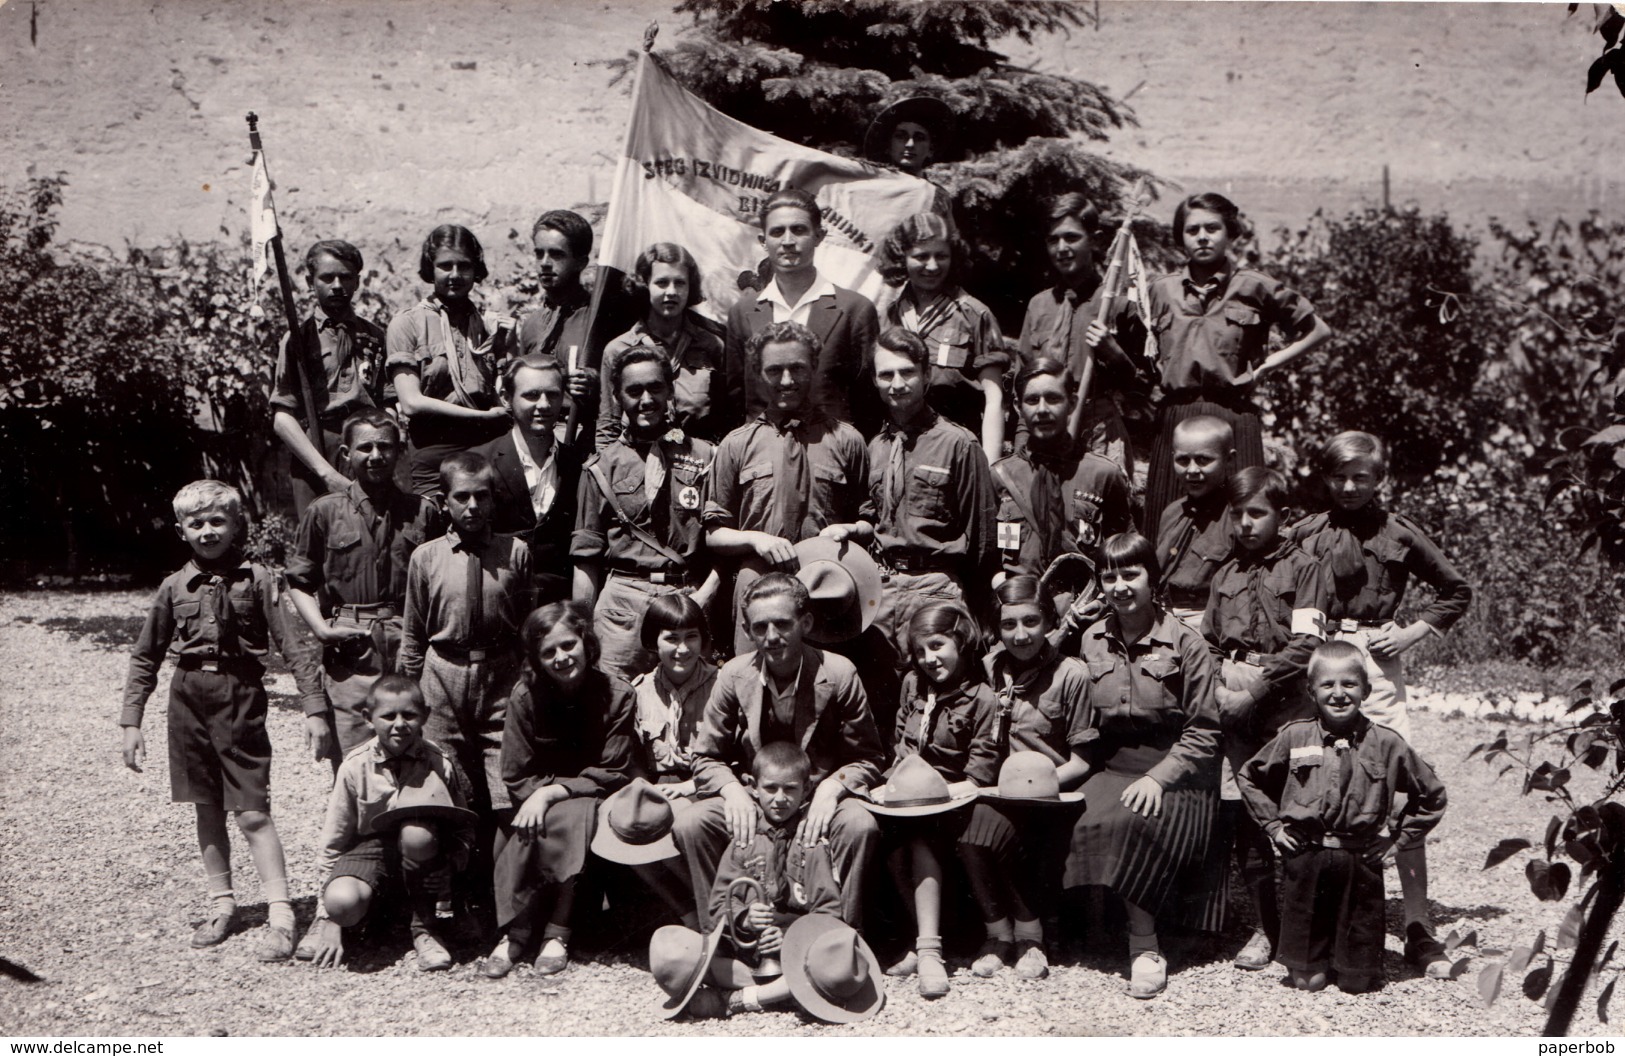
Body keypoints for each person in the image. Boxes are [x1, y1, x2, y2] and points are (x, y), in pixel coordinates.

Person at [118, 480, 328, 960]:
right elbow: (145, 657)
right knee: (206, 806)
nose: (208, 531)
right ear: (181, 530)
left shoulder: (259, 579)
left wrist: (314, 707)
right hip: (187, 698)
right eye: (197, 523)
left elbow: (293, 648)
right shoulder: (173, 587)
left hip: (241, 698)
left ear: (237, 525)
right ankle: (223, 903)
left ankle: (281, 912)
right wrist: (132, 720)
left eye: (218, 521)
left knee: (252, 810)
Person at [1290, 430, 1472, 975]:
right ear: (1324, 478)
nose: (1349, 487)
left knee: (1396, 787)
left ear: (1379, 480)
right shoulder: (1305, 532)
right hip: (1319, 655)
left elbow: (1455, 590)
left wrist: (1412, 632)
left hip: (1375, 655)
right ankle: (1311, 924)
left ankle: (1417, 924)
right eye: (1339, 476)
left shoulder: (1398, 532)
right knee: (1314, 780)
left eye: (1361, 478)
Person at [675, 573, 886, 928]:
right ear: (746, 628)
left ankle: (839, 944)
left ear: (805, 623)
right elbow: (705, 756)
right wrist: (732, 792)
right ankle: (727, 934)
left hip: (817, 795)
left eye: (782, 624)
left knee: (858, 825)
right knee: (692, 824)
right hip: (758, 796)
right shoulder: (734, 675)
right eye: (760, 627)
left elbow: (869, 757)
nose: (771, 638)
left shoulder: (838, 673)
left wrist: (833, 790)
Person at [1237, 641, 1448, 993]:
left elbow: (1432, 795)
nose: (1338, 694)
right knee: (1308, 981)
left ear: (1365, 689)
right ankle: (1317, 956)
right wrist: (1273, 826)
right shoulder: (1294, 735)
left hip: (1360, 862)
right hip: (1307, 861)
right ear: (1311, 690)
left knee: (1358, 982)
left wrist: (1398, 840)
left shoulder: (1386, 743)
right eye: (1327, 685)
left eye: (1349, 684)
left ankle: (1349, 956)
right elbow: (1250, 777)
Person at [1065, 533, 1221, 999]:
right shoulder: (1092, 638)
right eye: (1108, 576)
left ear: (1153, 579)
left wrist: (1159, 777)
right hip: (1110, 768)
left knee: (1131, 819)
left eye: (1131, 574)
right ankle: (1075, 930)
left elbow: (1205, 732)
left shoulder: (1186, 645)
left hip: (1177, 775)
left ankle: (1144, 948)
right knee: (1065, 815)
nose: (1119, 586)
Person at [825, 327, 996, 728]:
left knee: (942, 694)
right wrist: (855, 529)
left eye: (907, 372)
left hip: (936, 586)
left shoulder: (959, 444)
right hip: (883, 587)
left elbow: (983, 541)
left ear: (927, 374)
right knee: (882, 693)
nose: (897, 384)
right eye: (886, 375)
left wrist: (980, 612)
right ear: (874, 380)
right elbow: (876, 517)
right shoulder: (876, 446)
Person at [1141, 192, 1333, 540]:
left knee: (1244, 525)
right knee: (1165, 528)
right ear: (1180, 237)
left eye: (1212, 228)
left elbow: (1318, 330)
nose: (1202, 236)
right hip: (1176, 421)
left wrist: (1267, 367)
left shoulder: (1254, 285)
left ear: (1230, 233)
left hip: (1233, 419)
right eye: (1192, 229)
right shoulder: (1159, 290)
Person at [1202, 466, 1331, 972]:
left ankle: (1304, 929)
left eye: (1257, 513)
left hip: (1287, 706)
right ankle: (1264, 927)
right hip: (1234, 707)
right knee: (1249, 816)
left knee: (1299, 811)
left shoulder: (1305, 569)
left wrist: (1256, 687)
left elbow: (1309, 644)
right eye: (1238, 514)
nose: (1246, 524)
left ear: (1283, 516)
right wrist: (1220, 687)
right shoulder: (1225, 573)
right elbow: (1209, 642)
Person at [398, 451, 535, 921]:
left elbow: (525, 625)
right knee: (444, 788)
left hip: (501, 675)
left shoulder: (514, 553)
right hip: (442, 673)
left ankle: (505, 906)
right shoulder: (426, 557)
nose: (473, 506)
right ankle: (440, 908)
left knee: (505, 795)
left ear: (494, 500)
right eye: (462, 497)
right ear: (445, 502)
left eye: (482, 496)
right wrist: (411, 694)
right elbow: (414, 633)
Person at [483, 603, 638, 978]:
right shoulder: (524, 696)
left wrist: (552, 793)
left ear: (586, 642)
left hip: (593, 793)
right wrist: (540, 794)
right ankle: (516, 931)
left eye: (568, 645)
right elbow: (515, 772)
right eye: (548, 652)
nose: (561, 658)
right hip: (533, 793)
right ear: (535, 658)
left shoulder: (618, 694)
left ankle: (558, 929)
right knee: (511, 839)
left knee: (572, 819)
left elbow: (613, 769)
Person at [285, 409, 444, 760]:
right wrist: (323, 631)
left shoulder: (422, 512)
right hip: (351, 646)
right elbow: (298, 581)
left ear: (399, 451)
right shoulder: (324, 512)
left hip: (410, 641)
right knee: (354, 757)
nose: (376, 456)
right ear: (346, 455)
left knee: (416, 752)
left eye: (385, 447)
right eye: (365, 447)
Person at [705, 322, 870, 656]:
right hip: (759, 589)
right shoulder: (737, 445)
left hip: (826, 590)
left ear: (814, 367)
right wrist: (755, 538)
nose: (786, 381)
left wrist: (850, 528)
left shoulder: (847, 440)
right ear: (757, 373)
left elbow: (870, 522)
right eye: (774, 370)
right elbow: (714, 533)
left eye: (797, 368)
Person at [957, 575, 1092, 981]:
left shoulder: (1072, 674)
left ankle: (1031, 937)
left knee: (1002, 831)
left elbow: (1082, 760)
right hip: (995, 790)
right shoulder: (986, 670)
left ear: (1050, 622)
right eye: (1008, 625)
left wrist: (1036, 788)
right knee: (970, 833)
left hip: (1051, 795)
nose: (1020, 635)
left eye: (1031, 622)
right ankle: (998, 935)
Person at [301, 675, 476, 971]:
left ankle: (424, 929)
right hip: (373, 853)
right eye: (388, 716)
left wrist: (453, 864)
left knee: (416, 834)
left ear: (425, 716)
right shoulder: (355, 766)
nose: (399, 724)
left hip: (424, 855)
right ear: (369, 719)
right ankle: (355, 919)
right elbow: (334, 842)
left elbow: (463, 827)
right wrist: (328, 914)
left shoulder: (438, 762)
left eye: (409, 715)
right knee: (342, 902)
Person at [868, 602, 996, 998]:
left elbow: (980, 774)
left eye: (938, 646)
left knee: (921, 838)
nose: (928, 659)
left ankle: (929, 953)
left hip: (953, 800)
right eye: (921, 651)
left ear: (962, 640)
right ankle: (918, 934)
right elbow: (900, 746)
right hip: (908, 797)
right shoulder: (913, 685)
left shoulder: (982, 698)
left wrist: (932, 793)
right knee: (885, 840)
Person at [573, 346, 720, 680]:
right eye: (634, 391)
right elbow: (586, 561)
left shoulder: (705, 455)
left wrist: (704, 598)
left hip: (685, 602)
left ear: (670, 389)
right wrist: (584, 634)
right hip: (622, 610)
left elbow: (720, 542)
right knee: (616, 708)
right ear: (617, 396)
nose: (646, 400)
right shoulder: (600, 468)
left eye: (655, 387)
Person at [1017, 193, 1151, 477]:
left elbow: (1143, 389)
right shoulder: (1039, 305)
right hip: (1043, 435)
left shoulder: (1118, 303)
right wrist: (1021, 446)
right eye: (1053, 240)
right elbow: (1022, 384)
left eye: (1072, 237)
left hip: (1098, 438)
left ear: (1096, 240)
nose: (1062, 248)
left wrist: (1113, 352)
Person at [723, 189, 881, 430]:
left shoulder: (855, 310)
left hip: (833, 452)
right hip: (762, 456)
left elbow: (868, 402)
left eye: (798, 230)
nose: (788, 241)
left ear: (819, 236)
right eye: (777, 232)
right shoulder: (741, 312)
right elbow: (736, 399)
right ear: (763, 242)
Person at [386, 224, 512, 497]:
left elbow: (503, 397)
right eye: (445, 266)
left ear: (476, 270)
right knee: (434, 531)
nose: (455, 275)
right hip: (433, 453)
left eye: (464, 266)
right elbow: (411, 402)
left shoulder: (488, 325)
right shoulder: (408, 323)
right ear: (430, 268)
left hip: (487, 447)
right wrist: (481, 416)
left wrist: (506, 346)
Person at [992, 356, 1133, 597]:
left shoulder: (1102, 474)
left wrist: (1100, 603)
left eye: (1054, 398)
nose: (1043, 409)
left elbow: (1124, 551)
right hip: (1022, 613)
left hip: (1083, 608)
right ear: (1017, 407)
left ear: (1072, 403)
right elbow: (987, 559)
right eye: (1032, 400)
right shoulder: (1000, 475)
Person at [269, 239, 390, 516]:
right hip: (317, 450)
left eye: (345, 277)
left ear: (357, 281)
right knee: (320, 535)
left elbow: (388, 401)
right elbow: (281, 417)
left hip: (366, 447)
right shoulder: (298, 340)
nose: (337, 285)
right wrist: (325, 472)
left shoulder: (375, 336)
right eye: (327, 277)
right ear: (310, 281)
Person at [707, 742, 843, 988]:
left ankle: (756, 994)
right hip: (750, 951)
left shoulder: (811, 844)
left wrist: (791, 938)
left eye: (790, 789)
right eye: (770, 788)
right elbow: (717, 906)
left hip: (799, 948)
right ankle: (780, 989)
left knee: (830, 966)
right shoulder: (744, 841)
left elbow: (829, 911)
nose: (780, 799)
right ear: (753, 787)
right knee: (690, 959)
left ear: (806, 789)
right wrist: (745, 919)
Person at [623, 594, 721, 927]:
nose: (682, 649)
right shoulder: (639, 691)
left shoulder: (723, 686)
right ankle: (688, 911)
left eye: (691, 637)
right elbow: (634, 756)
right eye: (671, 638)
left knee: (686, 824)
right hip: (658, 787)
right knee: (625, 830)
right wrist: (645, 787)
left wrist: (694, 784)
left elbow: (736, 755)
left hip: (706, 785)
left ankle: (718, 908)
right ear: (653, 641)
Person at [877, 213, 1007, 461]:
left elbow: (994, 398)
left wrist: (989, 465)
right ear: (902, 258)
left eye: (941, 256)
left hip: (958, 450)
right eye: (921, 256)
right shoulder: (890, 316)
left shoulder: (974, 315)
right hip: (900, 450)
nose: (933, 266)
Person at [473, 354, 588, 606]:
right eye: (532, 395)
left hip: (558, 611)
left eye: (553, 394)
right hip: (497, 606)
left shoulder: (579, 465)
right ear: (506, 398)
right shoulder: (479, 461)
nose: (544, 405)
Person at [597, 242, 731, 449]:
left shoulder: (711, 345)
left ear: (690, 286)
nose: (671, 292)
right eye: (661, 283)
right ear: (644, 285)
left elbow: (725, 422)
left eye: (680, 283)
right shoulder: (619, 349)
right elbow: (608, 427)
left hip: (697, 463)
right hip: (637, 463)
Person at [1155, 415, 1238, 623]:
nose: (1192, 470)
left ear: (1229, 459)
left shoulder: (1237, 515)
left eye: (1203, 460)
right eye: (1183, 460)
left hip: (1210, 621)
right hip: (1161, 615)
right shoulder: (1172, 513)